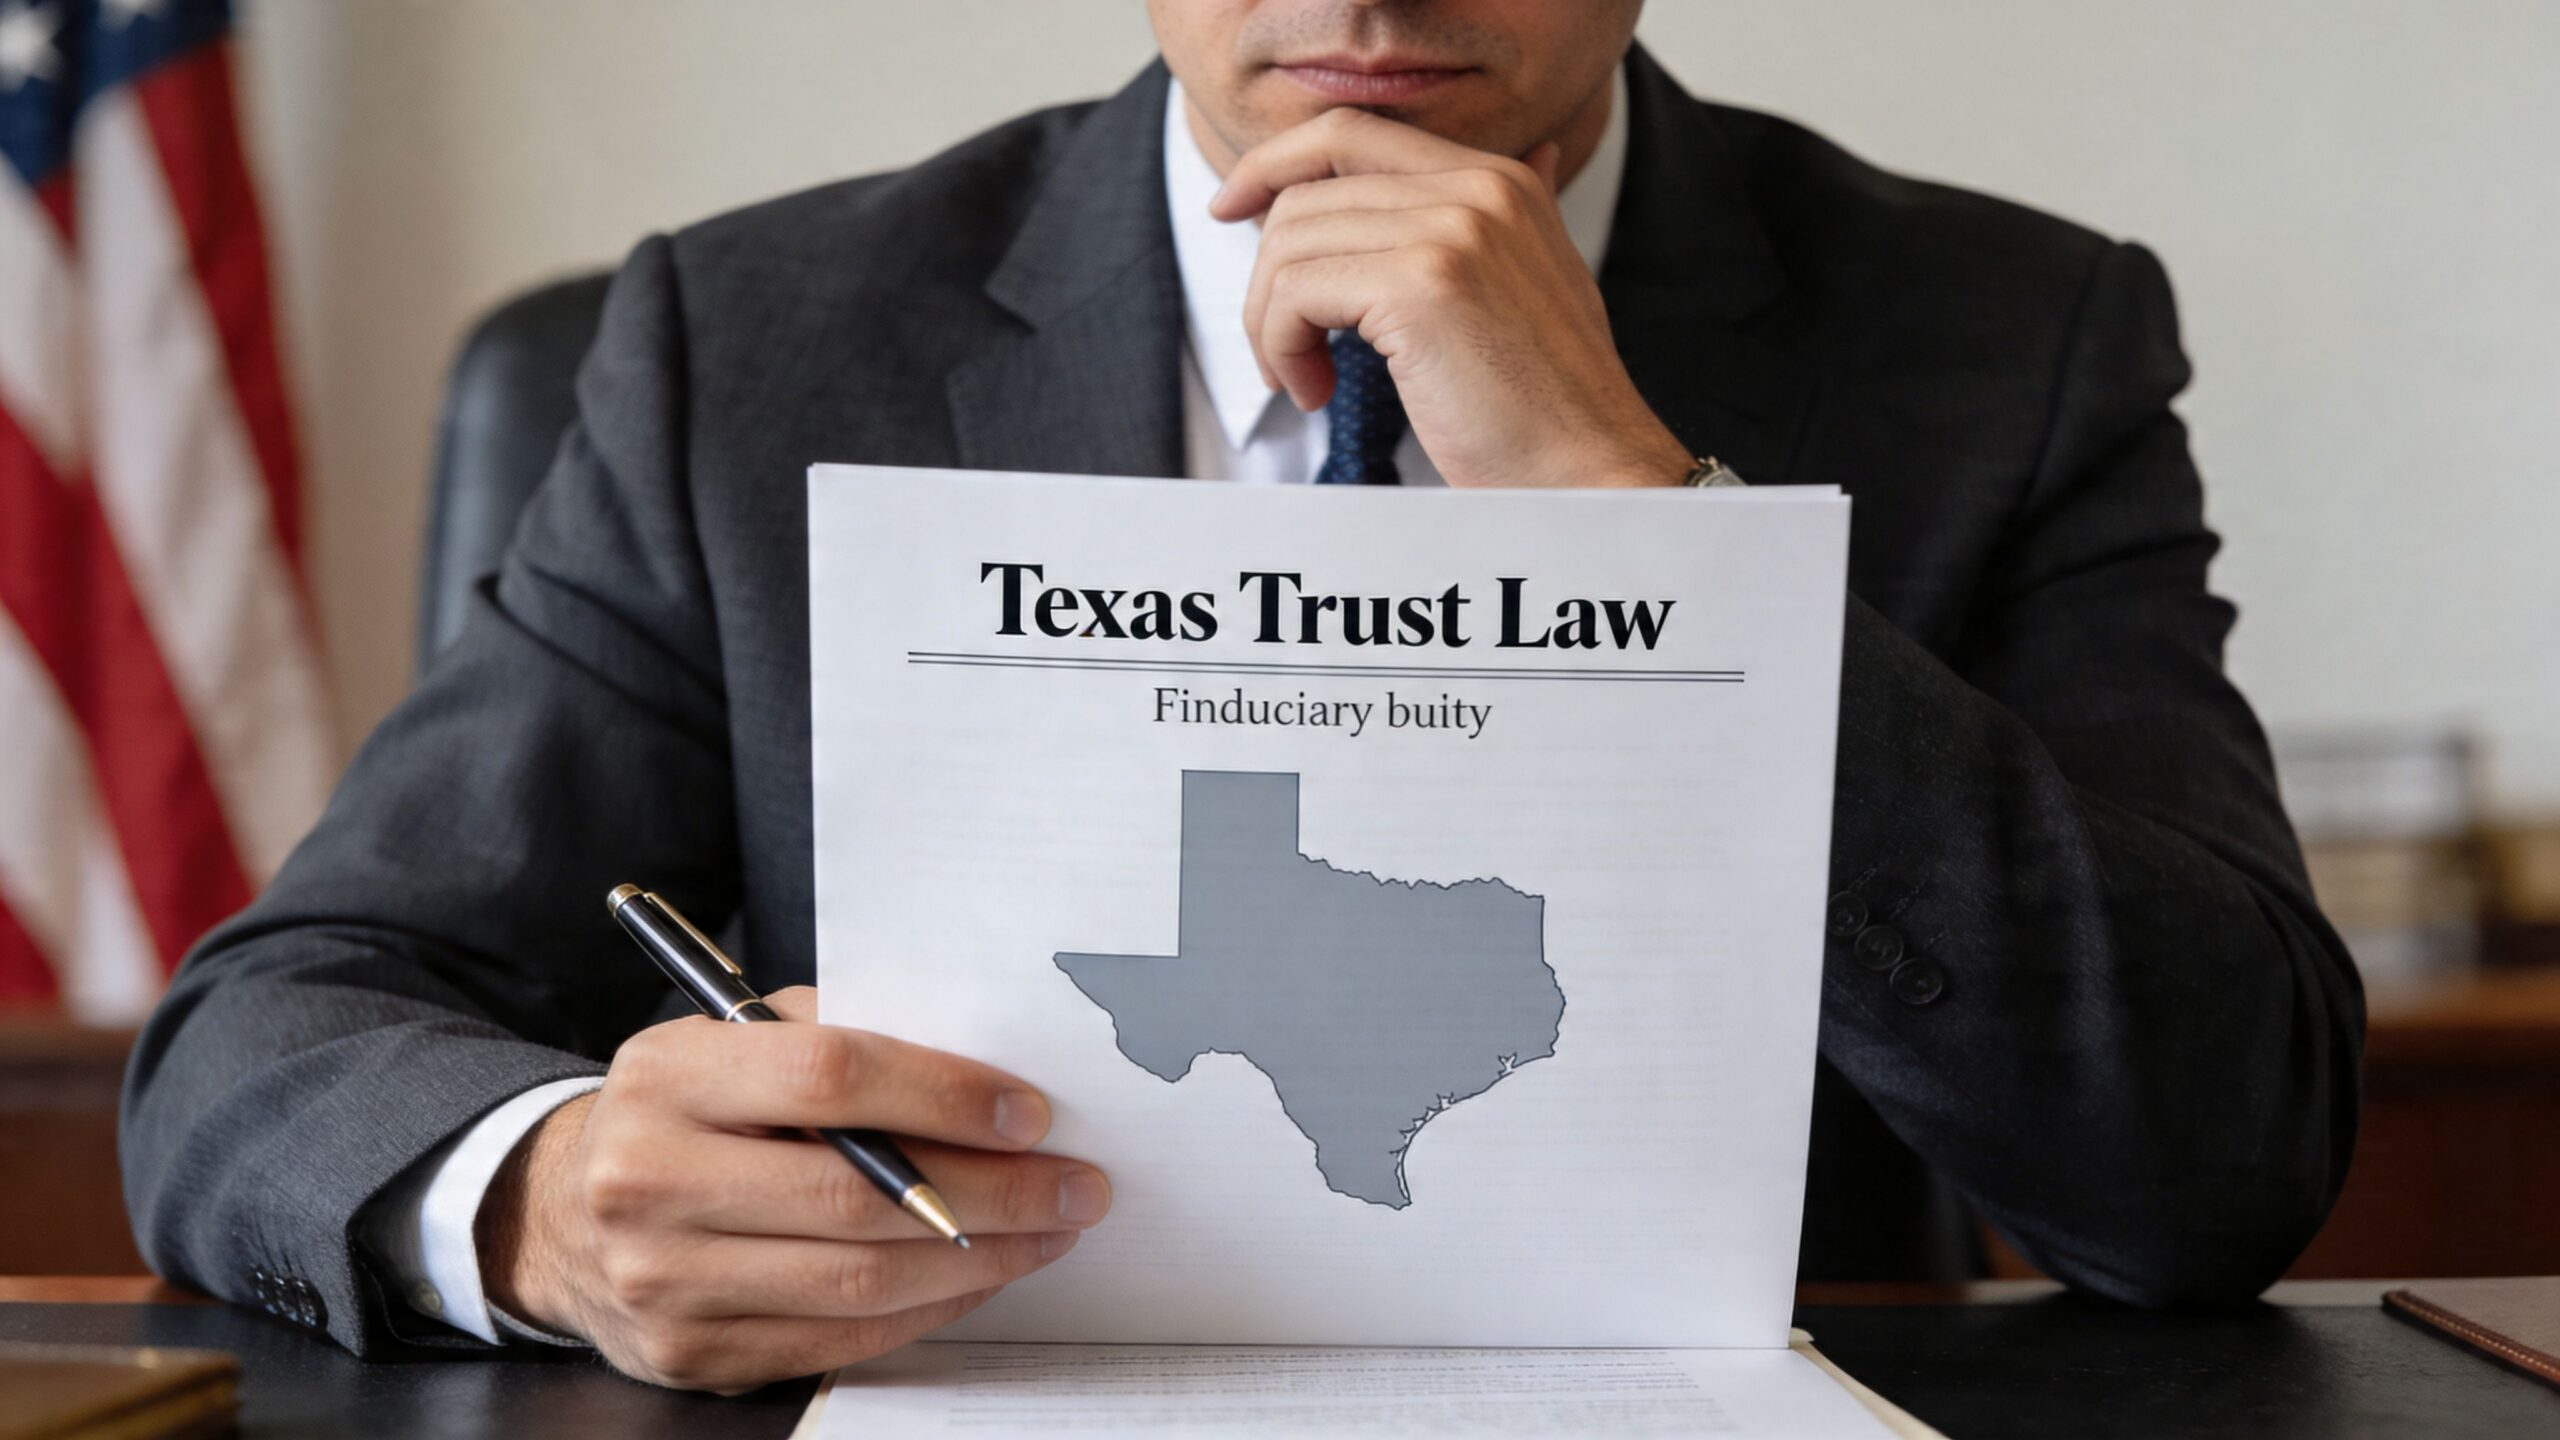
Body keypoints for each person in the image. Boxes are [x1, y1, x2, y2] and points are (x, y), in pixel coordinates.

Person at [120, 0, 2362, 1394]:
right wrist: (542, 1200)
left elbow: (2207, 1166)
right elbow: (265, 1041)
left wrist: (1641, 516)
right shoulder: (751, 338)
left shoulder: (2010, 336)